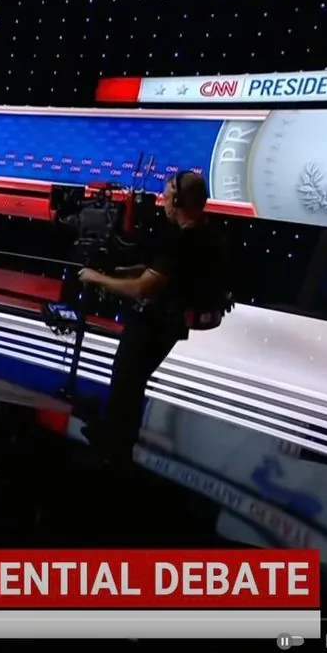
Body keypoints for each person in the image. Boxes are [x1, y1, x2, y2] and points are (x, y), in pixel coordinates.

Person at [79, 171, 230, 459]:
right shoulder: (207, 232)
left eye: (167, 194)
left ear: (179, 199)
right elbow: (159, 272)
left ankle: (113, 445)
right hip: (169, 322)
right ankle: (117, 434)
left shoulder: (184, 241)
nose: (162, 201)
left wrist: (96, 278)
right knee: (131, 379)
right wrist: (122, 272)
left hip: (158, 321)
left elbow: (142, 288)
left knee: (128, 377)